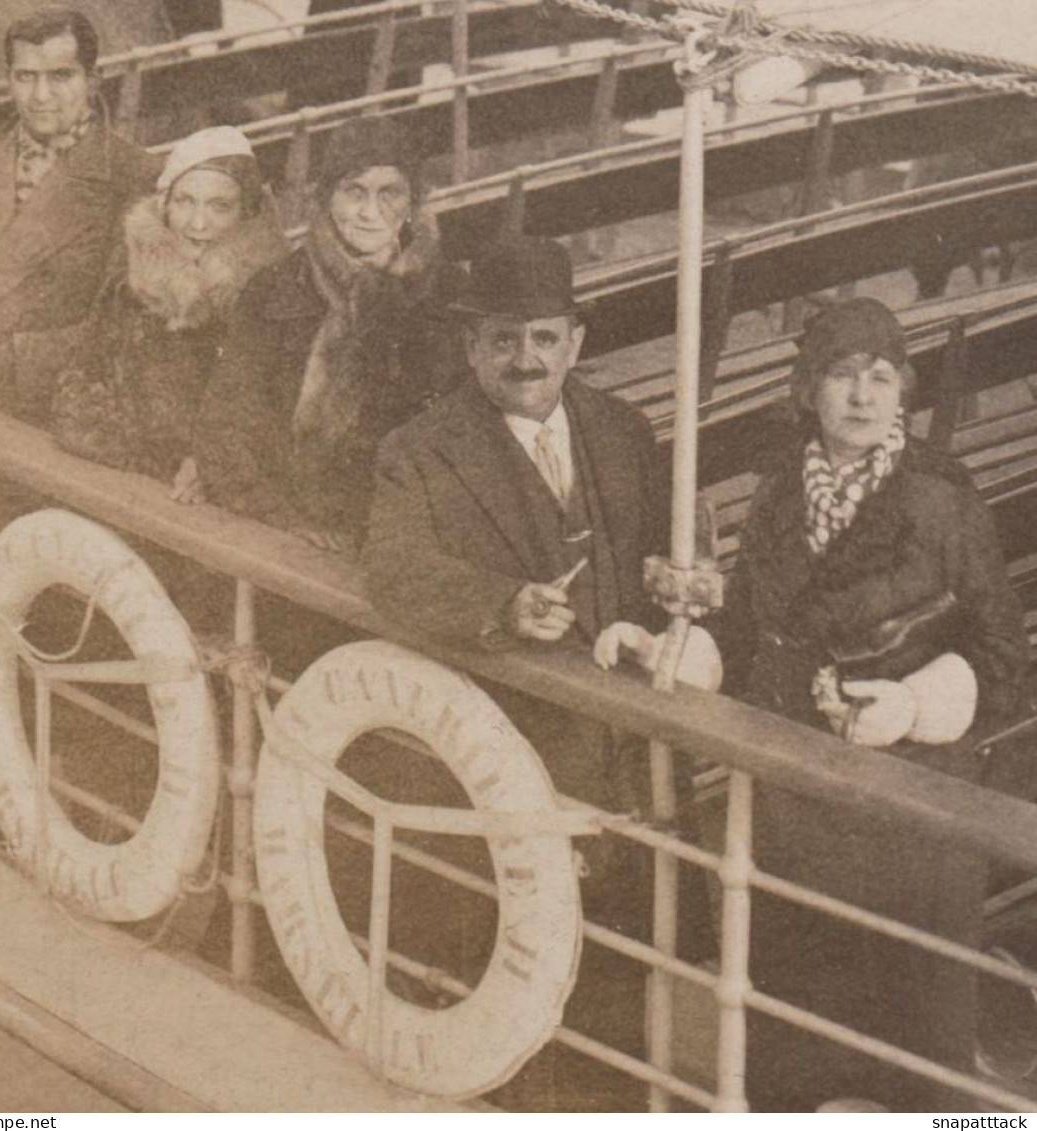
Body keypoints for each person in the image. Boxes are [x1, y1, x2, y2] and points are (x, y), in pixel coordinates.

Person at [596, 297, 1030, 1111]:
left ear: (903, 390)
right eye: (841, 377)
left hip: (910, 819)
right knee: (791, 1038)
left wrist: (911, 701)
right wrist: (678, 651)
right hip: (795, 810)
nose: (862, 397)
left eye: (879, 377)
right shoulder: (780, 494)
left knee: (917, 1062)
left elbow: (1006, 662)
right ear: (808, 392)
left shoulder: (942, 500)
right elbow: (756, 623)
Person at [364, 237, 715, 1110]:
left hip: (623, 761)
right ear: (471, 346)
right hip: (506, 763)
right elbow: (395, 572)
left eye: (546, 338)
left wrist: (681, 577)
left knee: (621, 976)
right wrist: (503, 603)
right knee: (511, 984)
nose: (528, 359)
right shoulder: (420, 451)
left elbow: (665, 554)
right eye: (505, 340)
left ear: (576, 343)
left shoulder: (623, 430)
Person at [194, 115, 464, 549]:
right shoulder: (275, 288)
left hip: (395, 536)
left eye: (389, 193)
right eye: (353, 191)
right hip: (289, 526)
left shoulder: (449, 296)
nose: (370, 213)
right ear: (327, 198)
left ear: (414, 203)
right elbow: (227, 420)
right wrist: (280, 516)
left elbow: (459, 438)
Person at [0, 7, 158, 426]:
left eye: (61, 76)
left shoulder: (134, 178)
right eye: (26, 77)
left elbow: (118, 329)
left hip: (45, 413)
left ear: (92, 82)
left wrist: (4, 359)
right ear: (9, 80)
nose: (41, 96)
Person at [51, 126, 287, 500]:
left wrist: (213, 462)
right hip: (119, 479)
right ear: (165, 206)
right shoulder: (135, 282)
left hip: (202, 502)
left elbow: (272, 419)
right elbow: (84, 355)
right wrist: (0, 358)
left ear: (247, 213)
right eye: (185, 201)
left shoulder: (272, 302)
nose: (197, 223)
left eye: (219, 206)